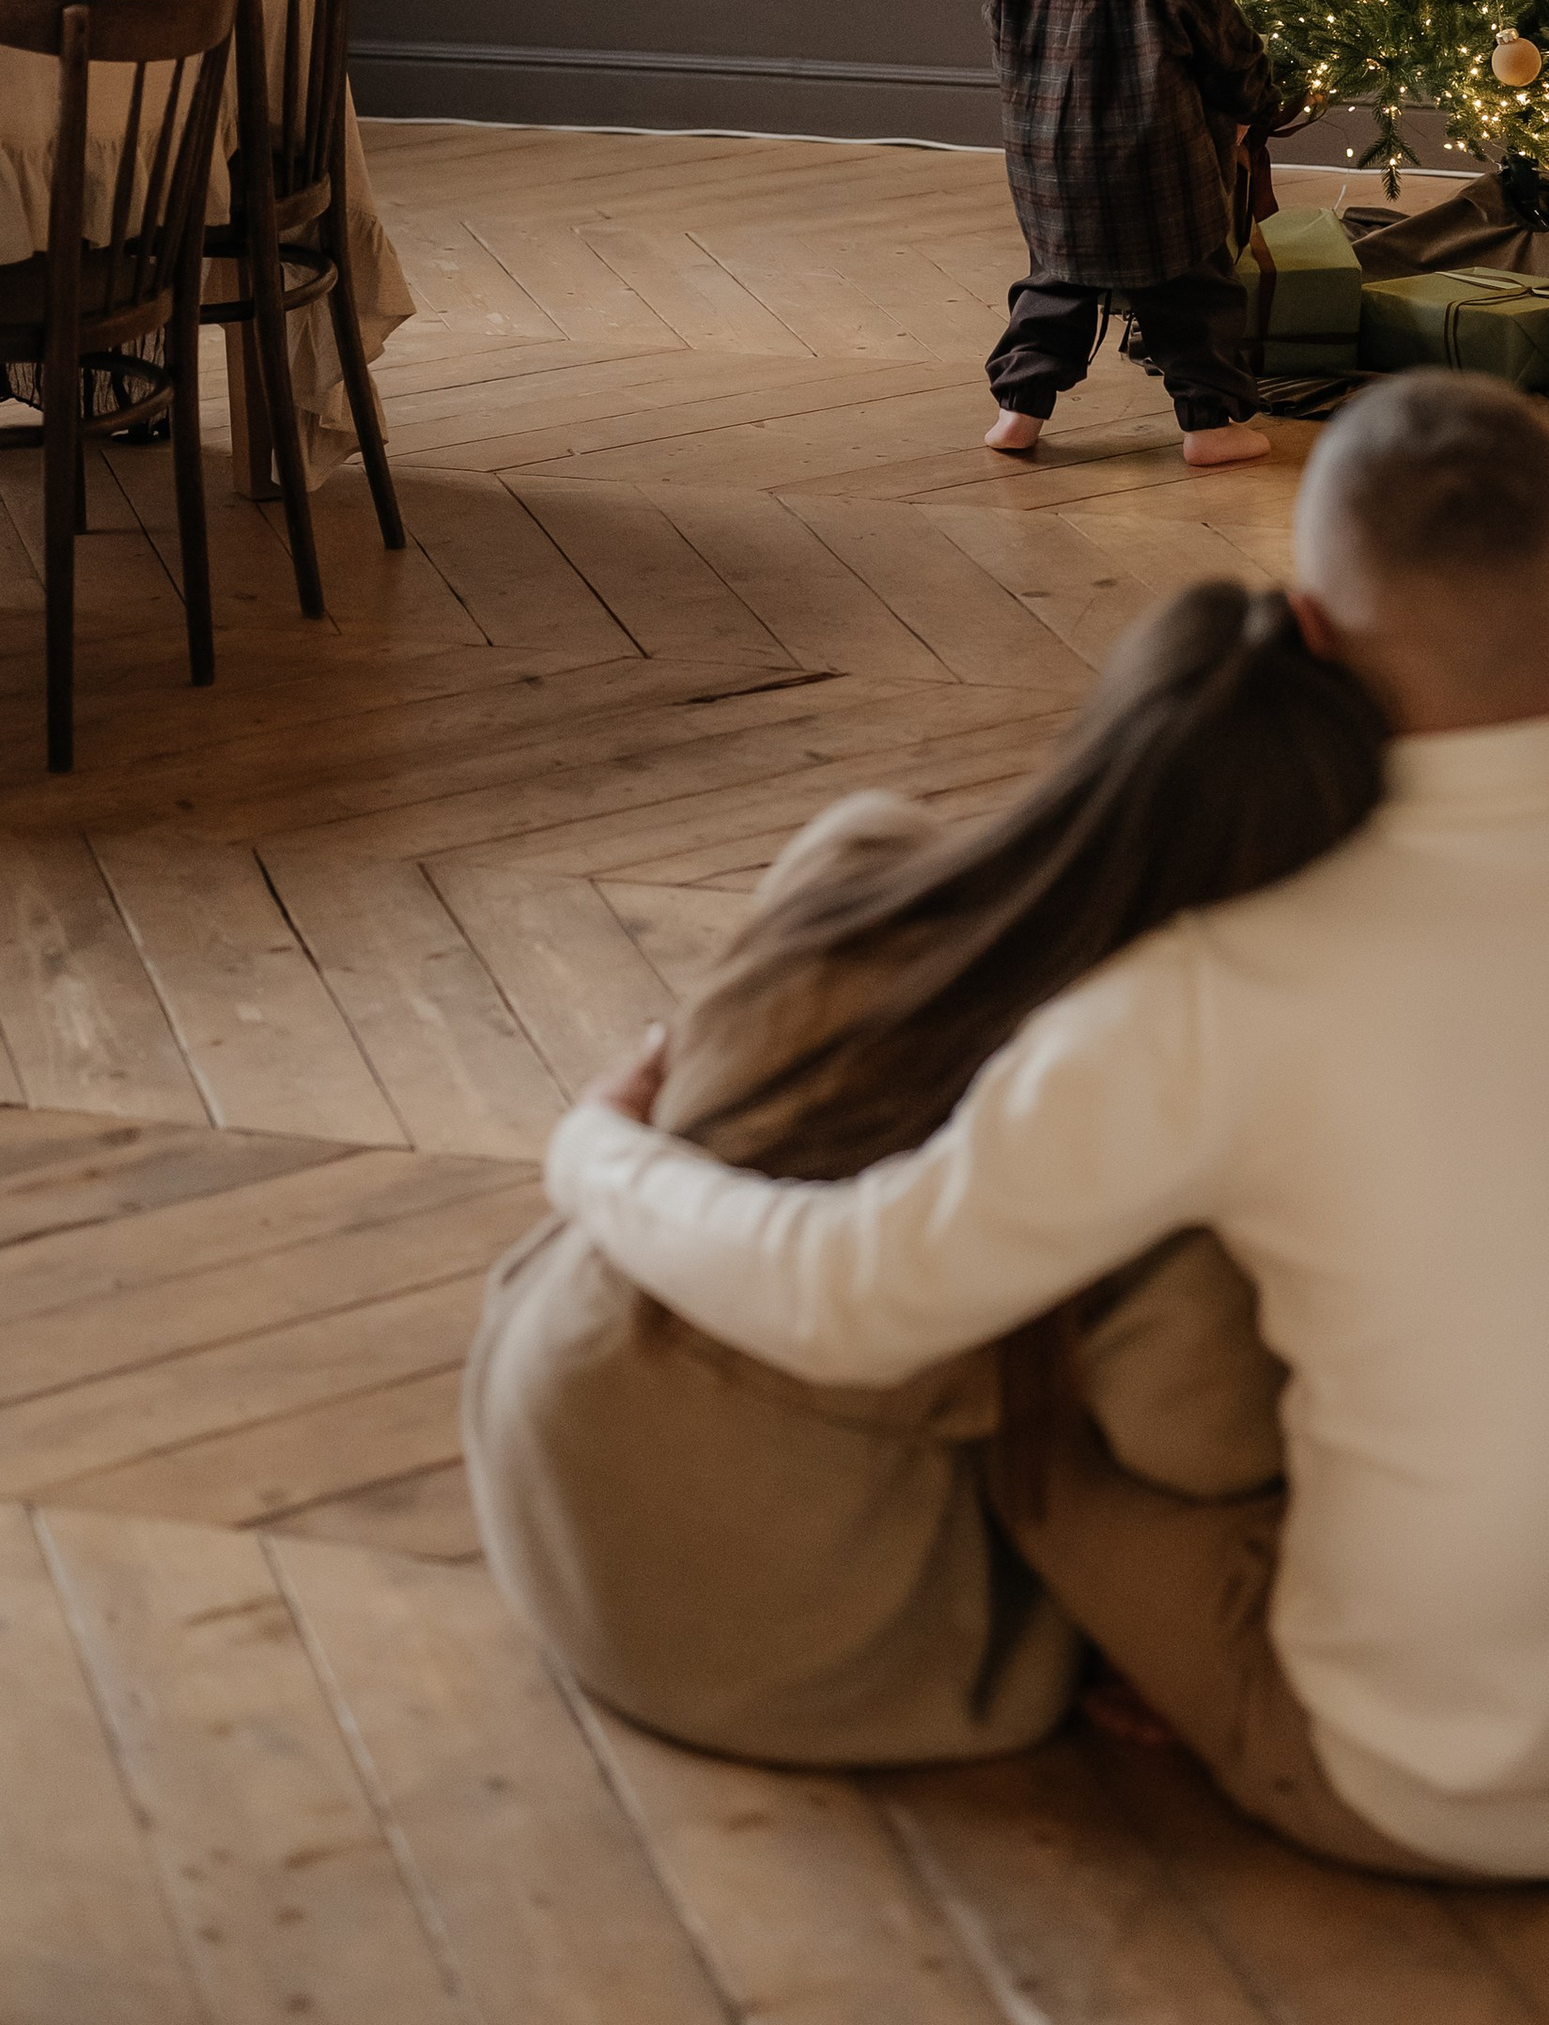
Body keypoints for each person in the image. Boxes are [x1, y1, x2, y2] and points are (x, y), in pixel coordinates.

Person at [546, 376, 1549, 1879]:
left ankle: (1207, 1668)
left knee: (1042, 1420)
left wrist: (599, 1152)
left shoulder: (1207, 985)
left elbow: (848, 1300)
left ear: (1306, 628)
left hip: (1429, 1788)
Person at [466, 581, 1388, 1768]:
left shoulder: (862, 850)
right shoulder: (1149, 1110)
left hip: (544, 1429)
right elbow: (1204, 1446)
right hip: (763, 1614)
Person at [981, 0, 1283, 471]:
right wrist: (1257, 104)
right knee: (1194, 296)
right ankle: (1210, 425)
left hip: (1054, 181)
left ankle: (1019, 409)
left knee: (1052, 289)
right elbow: (1230, 54)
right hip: (1165, 182)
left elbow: (1009, 53)